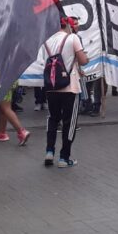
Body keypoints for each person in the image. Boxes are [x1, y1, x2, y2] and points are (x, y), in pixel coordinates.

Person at [41, 17, 88, 168]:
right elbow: (83, 60)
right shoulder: (72, 38)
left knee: (53, 118)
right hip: (70, 87)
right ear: (67, 24)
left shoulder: (47, 40)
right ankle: (63, 157)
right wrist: (83, 57)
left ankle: (49, 151)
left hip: (51, 87)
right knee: (69, 123)